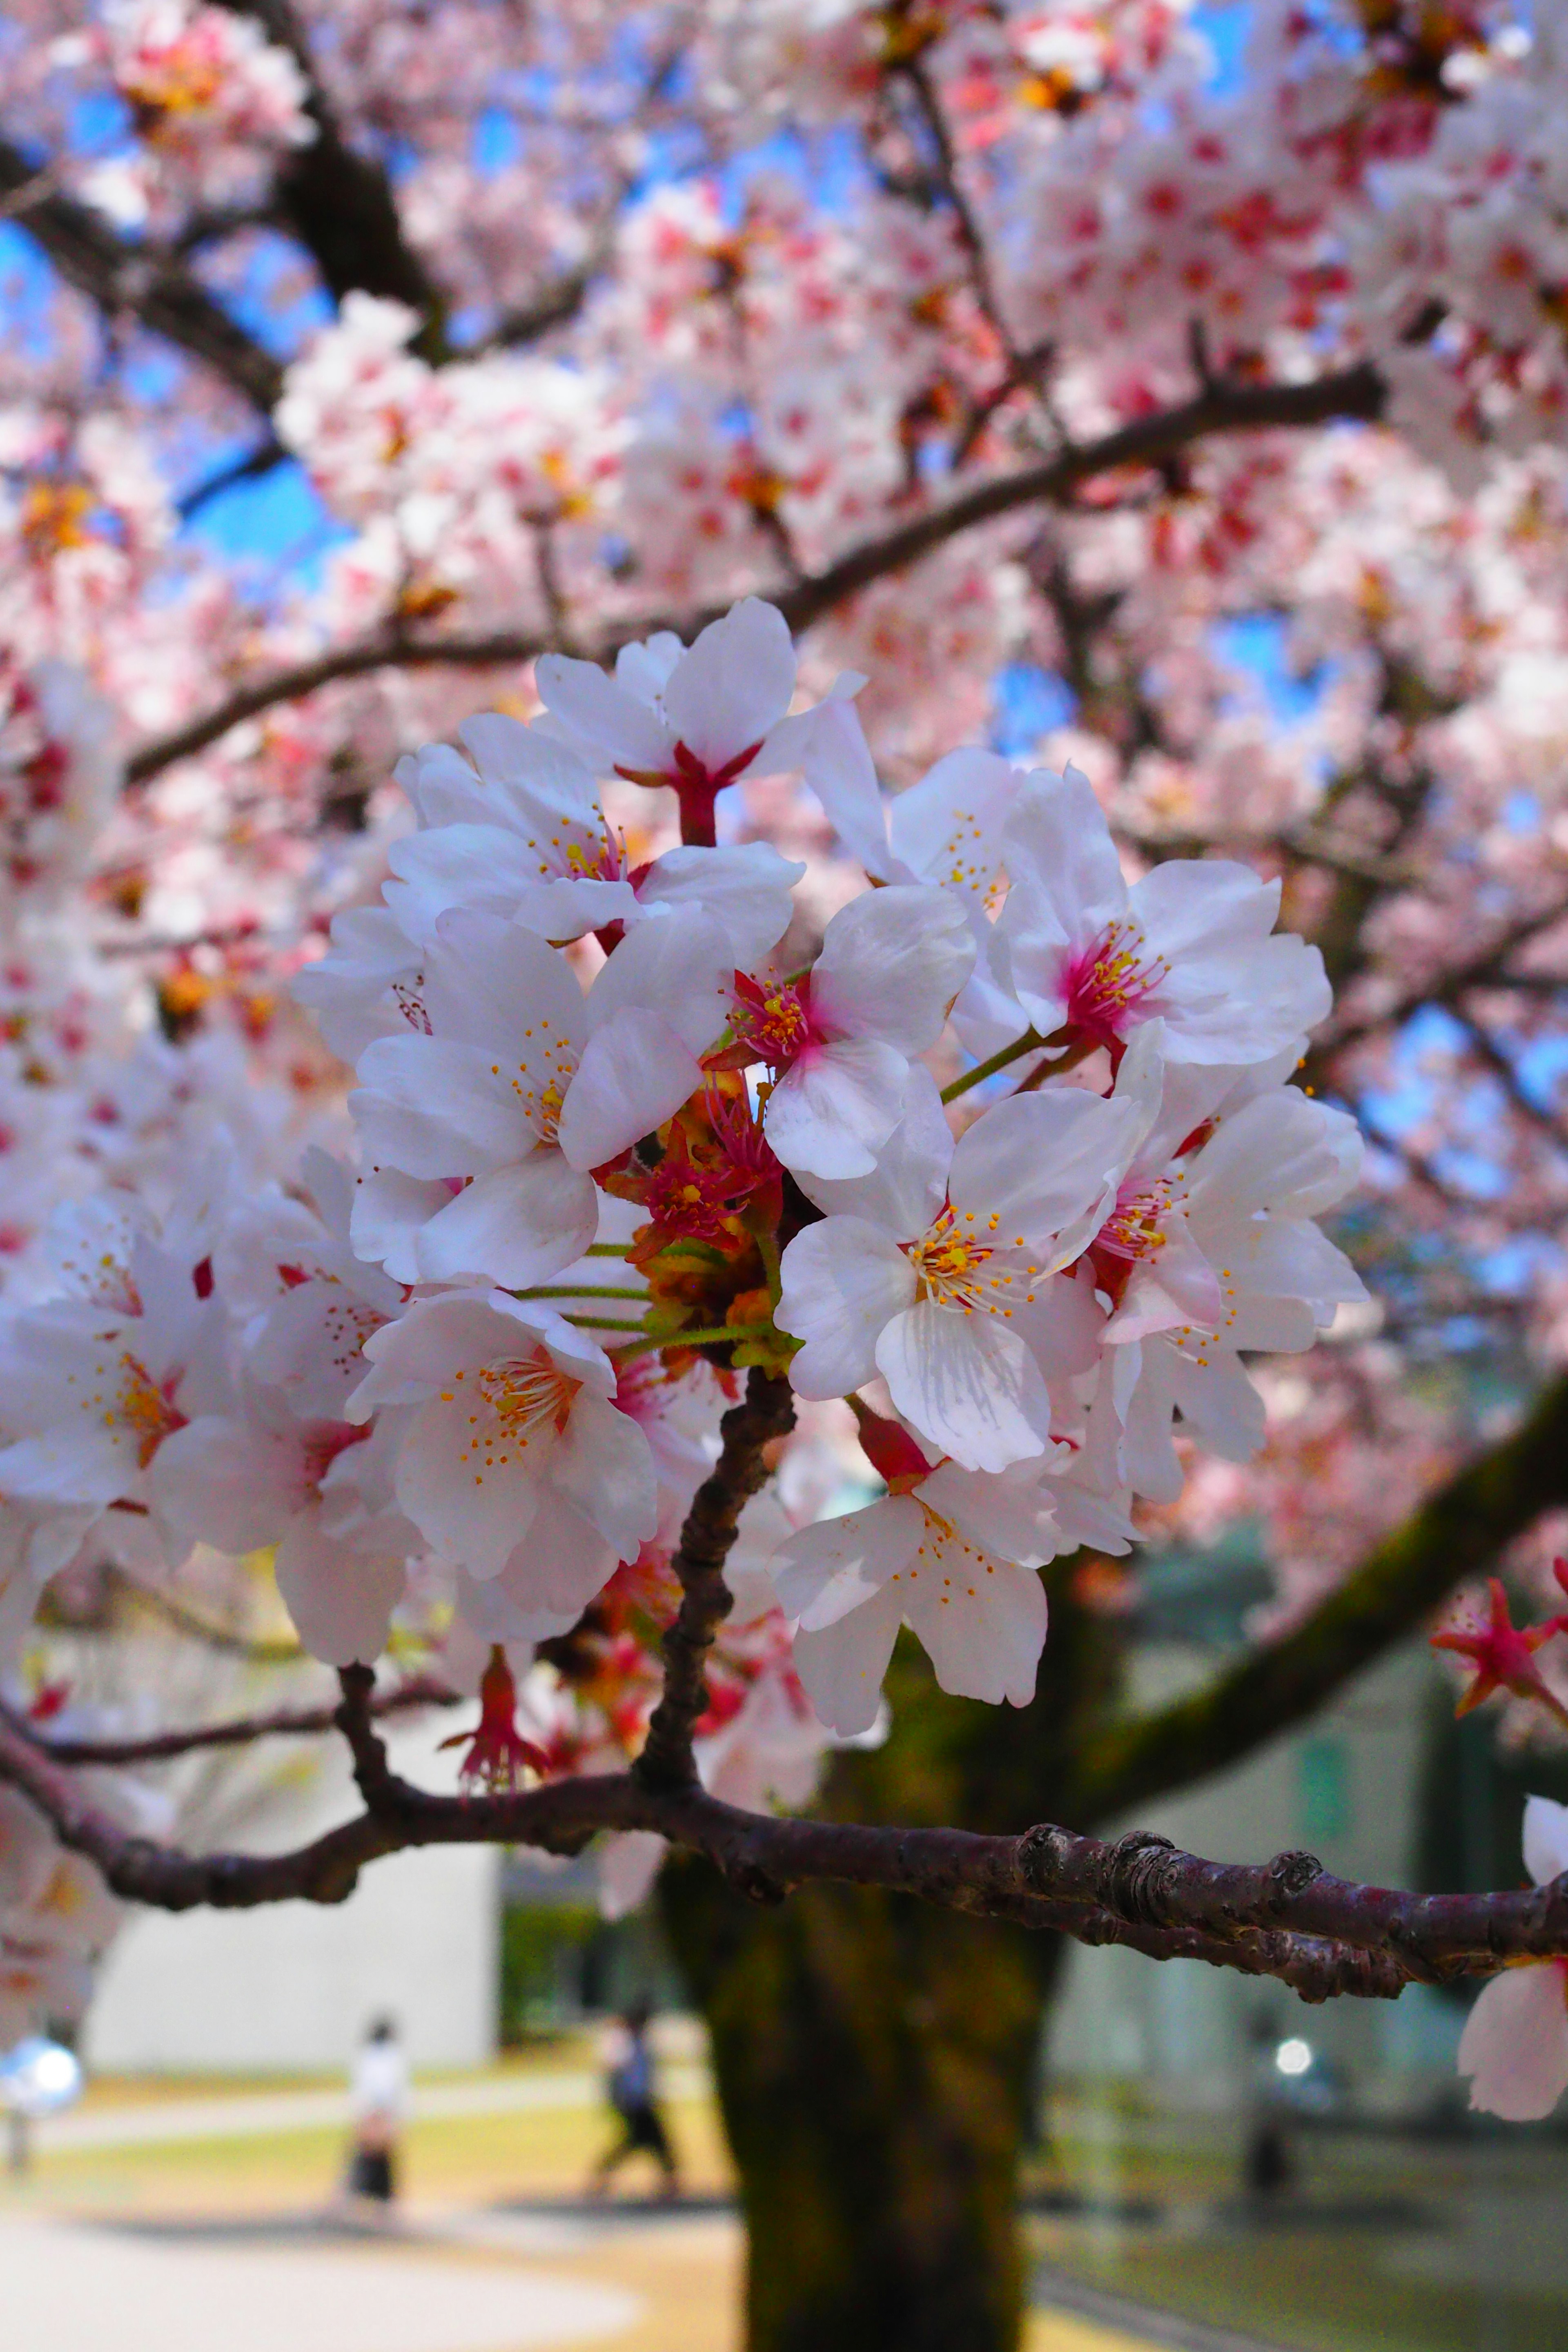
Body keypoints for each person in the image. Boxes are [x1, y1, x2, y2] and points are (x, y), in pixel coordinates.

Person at [588, 1997, 681, 2202]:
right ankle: (670, 2181)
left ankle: (670, 2181)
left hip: (641, 2100)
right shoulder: (622, 2039)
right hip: (631, 2101)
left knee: (643, 2140)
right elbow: (616, 2070)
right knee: (652, 2139)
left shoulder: (640, 2040)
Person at [346, 2013, 409, 2211]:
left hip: (376, 2112)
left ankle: (374, 2196)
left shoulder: (372, 2057)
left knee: (376, 2157)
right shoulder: (390, 2058)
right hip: (380, 2113)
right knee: (373, 2157)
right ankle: (368, 2195)